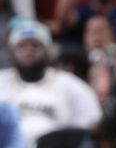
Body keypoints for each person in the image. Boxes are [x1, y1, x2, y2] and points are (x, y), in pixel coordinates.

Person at [0, 19, 102, 147]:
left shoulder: (71, 84)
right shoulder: (2, 81)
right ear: (11, 51)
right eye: (22, 46)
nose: (28, 51)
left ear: (48, 51)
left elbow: (91, 123)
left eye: (35, 45)